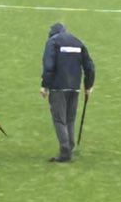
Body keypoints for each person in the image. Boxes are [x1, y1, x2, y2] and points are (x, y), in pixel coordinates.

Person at [40, 22, 95, 163]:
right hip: (74, 87)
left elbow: (48, 65)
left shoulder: (52, 42)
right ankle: (70, 146)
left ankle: (65, 151)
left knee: (59, 119)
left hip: (58, 87)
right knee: (70, 119)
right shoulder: (78, 41)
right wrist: (88, 85)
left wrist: (45, 85)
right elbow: (89, 66)